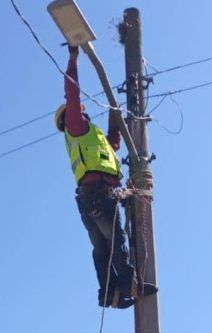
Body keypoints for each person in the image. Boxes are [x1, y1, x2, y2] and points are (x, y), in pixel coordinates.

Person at [57, 45, 134, 309]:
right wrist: (73, 60)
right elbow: (72, 93)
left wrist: (115, 117)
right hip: (99, 196)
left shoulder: (91, 137)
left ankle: (109, 293)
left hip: (88, 200)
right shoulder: (76, 126)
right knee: (116, 242)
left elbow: (113, 144)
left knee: (102, 249)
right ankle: (129, 284)